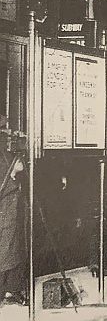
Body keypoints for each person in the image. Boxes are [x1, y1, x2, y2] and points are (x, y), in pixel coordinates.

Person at [0, 117, 27, 306]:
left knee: (15, 247)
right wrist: (13, 174)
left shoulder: (5, 150)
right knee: (7, 248)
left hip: (13, 207)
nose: (6, 132)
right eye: (3, 129)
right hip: (5, 207)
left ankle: (13, 289)